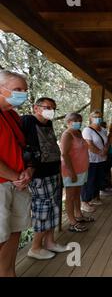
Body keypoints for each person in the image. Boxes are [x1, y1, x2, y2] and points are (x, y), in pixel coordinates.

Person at [21, 97, 68, 259]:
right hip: (39, 175)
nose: (51, 110)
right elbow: (20, 145)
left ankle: (50, 242)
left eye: (53, 108)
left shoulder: (48, 123)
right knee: (43, 210)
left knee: (54, 208)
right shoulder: (27, 120)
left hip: (53, 171)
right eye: (47, 107)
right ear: (36, 108)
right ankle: (35, 247)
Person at [0, 70, 33, 276]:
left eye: (24, 90)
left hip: (19, 182)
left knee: (15, 231)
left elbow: (22, 148)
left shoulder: (12, 115)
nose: (22, 94)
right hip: (4, 183)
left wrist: (27, 170)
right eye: (17, 89)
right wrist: (15, 176)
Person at [60, 113, 92, 233]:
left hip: (81, 170)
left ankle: (79, 215)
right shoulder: (67, 135)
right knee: (70, 196)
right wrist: (71, 172)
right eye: (75, 120)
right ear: (68, 121)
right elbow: (64, 154)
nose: (78, 122)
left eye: (79, 120)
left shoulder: (78, 133)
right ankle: (72, 222)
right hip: (71, 171)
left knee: (77, 194)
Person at [81, 110, 108, 212]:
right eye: (95, 116)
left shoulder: (103, 130)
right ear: (90, 118)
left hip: (102, 159)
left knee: (98, 179)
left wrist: (105, 150)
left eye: (99, 116)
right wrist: (99, 152)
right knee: (89, 181)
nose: (98, 119)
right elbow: (89, 144)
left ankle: (94, 198)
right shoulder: (87, 130)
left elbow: (106, 142)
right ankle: (84, 202)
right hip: (91, 160)